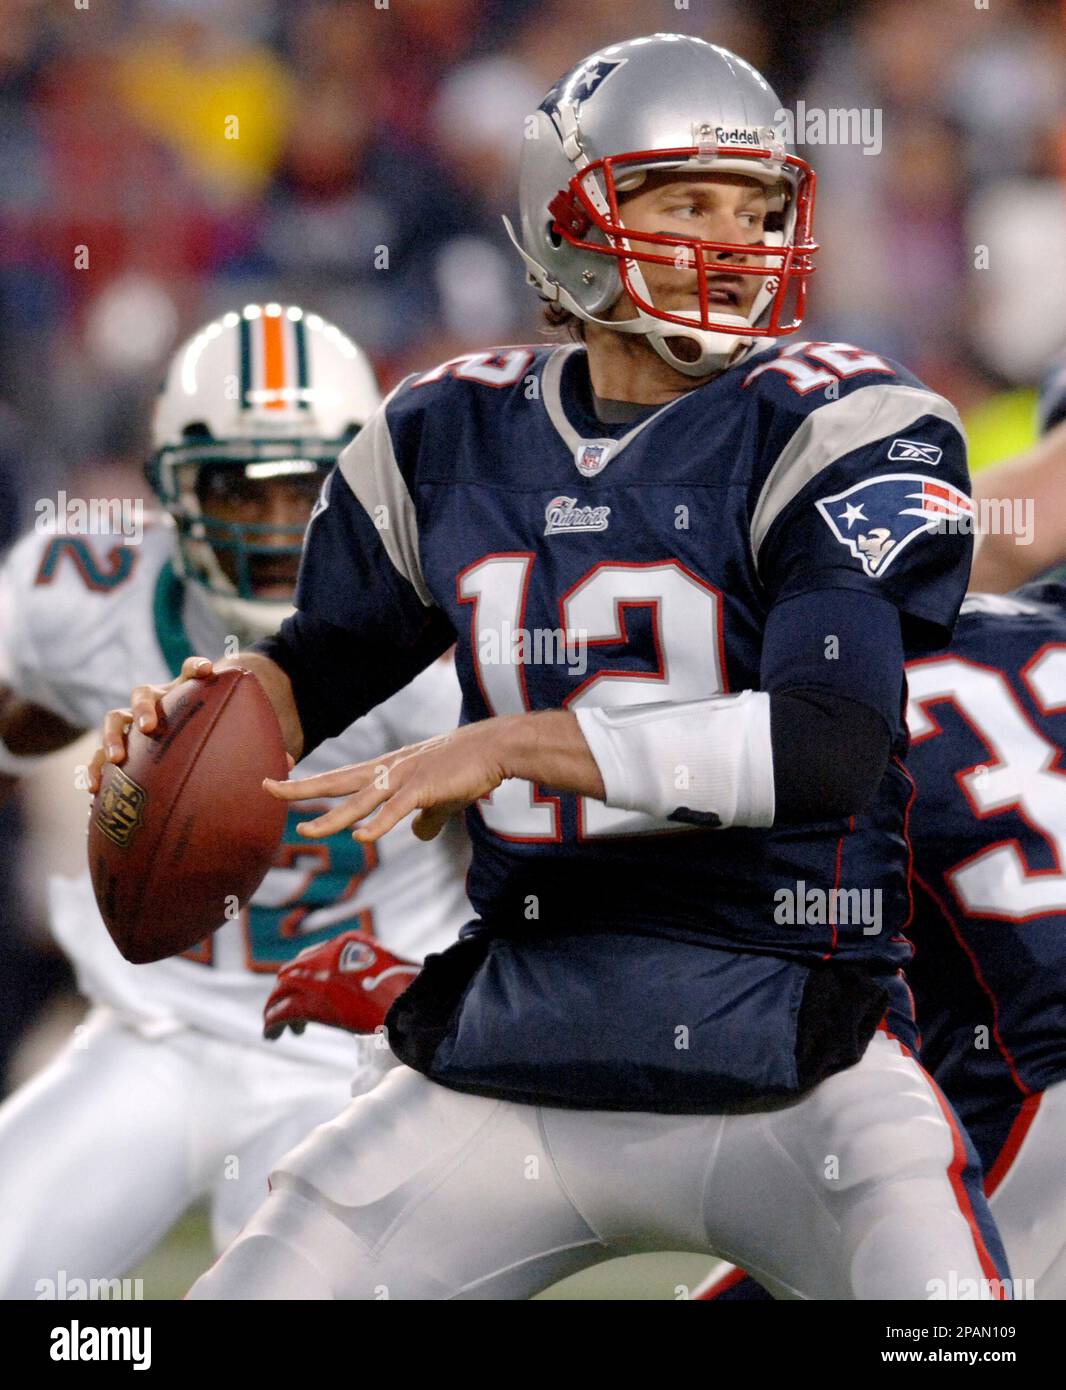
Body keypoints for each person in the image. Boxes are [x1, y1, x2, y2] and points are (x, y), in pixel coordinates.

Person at [96, 36, 1006, 1300]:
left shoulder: (839, 422)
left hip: (796, 1051)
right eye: (685, 202)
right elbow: (315, 667)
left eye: (756, 209)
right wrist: (196, 722)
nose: (730, 243)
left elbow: (825, 746)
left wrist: (518, 741)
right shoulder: (444, 433)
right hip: (510, 1051)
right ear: (566, 216)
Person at [0, 306, 469, 1297]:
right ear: (170, 482)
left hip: (348, 1056)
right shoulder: (86, 585)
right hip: (152, 1030)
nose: (266, 524)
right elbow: (18, 719)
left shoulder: (437, 633)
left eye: (300, 488)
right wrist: (114, 758)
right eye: (233, 488)